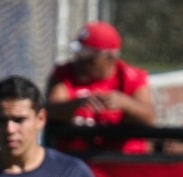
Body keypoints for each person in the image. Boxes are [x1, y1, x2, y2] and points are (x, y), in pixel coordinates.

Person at [46, 21, 154, 155]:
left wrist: (124, 103)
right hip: (76, 162)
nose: (79, 62)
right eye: (79, 55)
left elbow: (149, 117)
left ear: (109, 57)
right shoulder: (64, 74)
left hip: (123, 163)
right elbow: (49, 110)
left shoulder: (131, 77)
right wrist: (77, 104)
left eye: (88, 59)